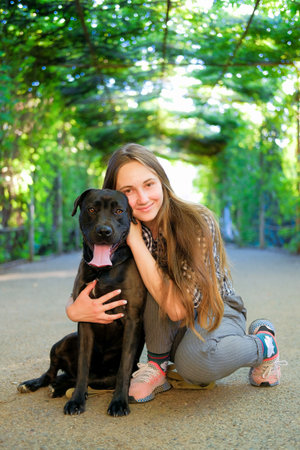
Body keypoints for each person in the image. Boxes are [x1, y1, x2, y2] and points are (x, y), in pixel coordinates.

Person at [66, 143, 285, 403]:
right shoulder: (117, 230)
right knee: (153, 296)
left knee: (196, 366)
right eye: (128, 190)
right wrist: (73, 310)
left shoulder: (196, 222)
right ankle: (157, 365)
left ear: (162, 182)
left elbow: (178, 308)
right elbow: (91, 283)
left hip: (213, 307)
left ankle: (263, 345)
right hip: (164, 319)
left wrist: (136, 242)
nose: (143, 198)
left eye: (149, 184)